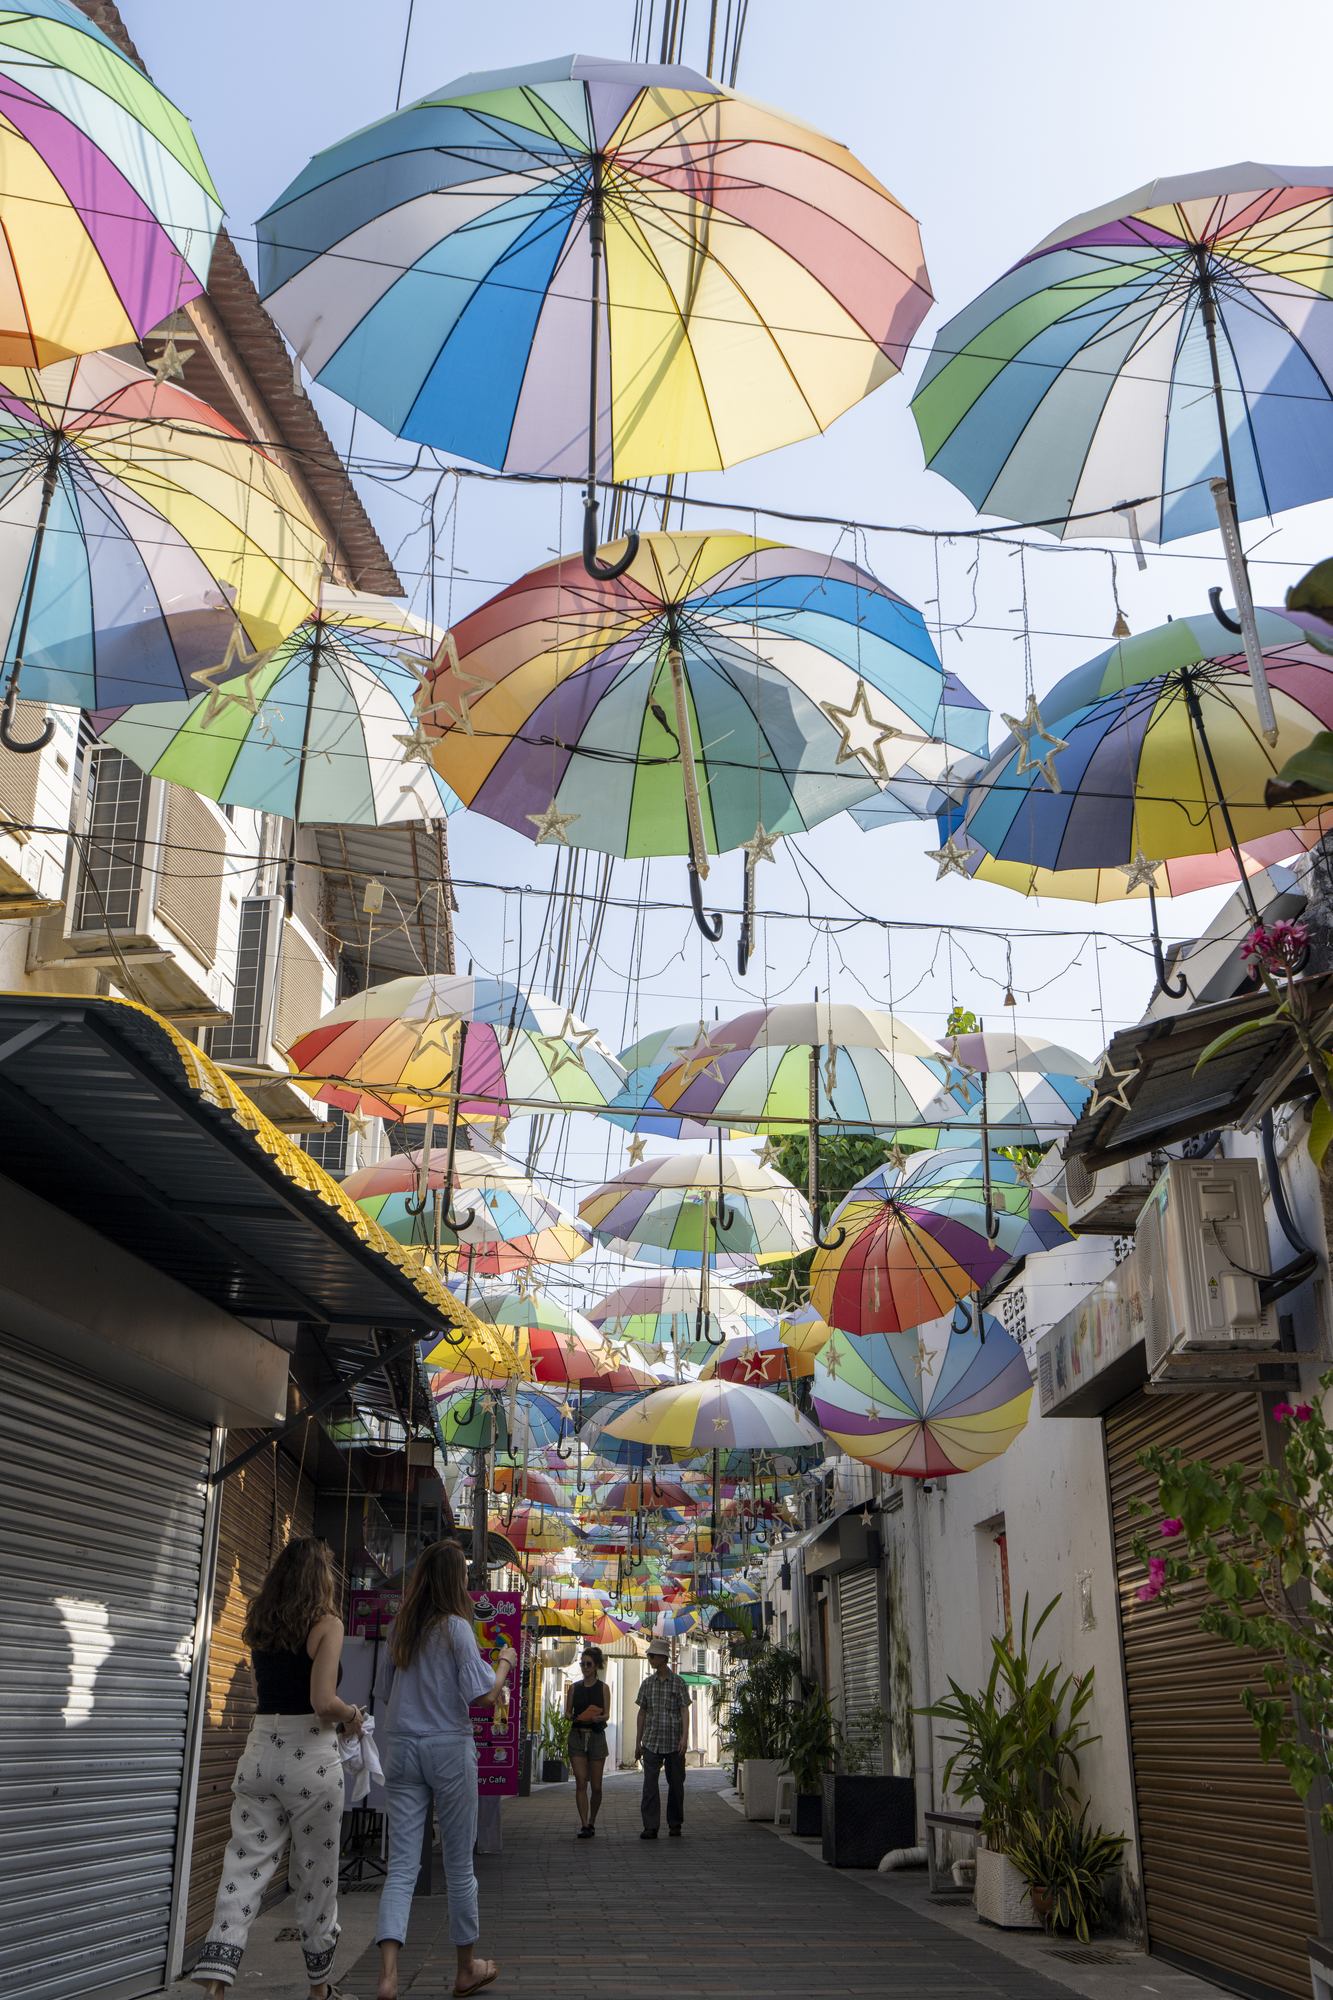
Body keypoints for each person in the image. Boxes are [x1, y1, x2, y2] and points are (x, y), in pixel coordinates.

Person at [195, 1538, 362, 2000]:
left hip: (259, 1752)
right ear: (320, 1578)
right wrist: (352, 1715)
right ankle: (319, 1989)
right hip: (311, 1760)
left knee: (242, 1868)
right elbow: (322, 1702)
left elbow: (260, 1691)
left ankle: (215, 1983)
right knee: (316, 1876)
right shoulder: (328, 1624)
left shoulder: (261, 1621)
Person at [373, 1541, 516, 2000]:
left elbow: (384, 1692)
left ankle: (388, 1976)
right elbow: (484, 1696)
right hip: (448, 1748)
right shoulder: (455, 1628)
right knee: (458, 1864)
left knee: (401, 1866)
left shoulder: (399, 1627)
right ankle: (465, 1970)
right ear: (457, 1580)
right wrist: (505, 1665)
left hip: (401, 1746)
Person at [634, 1636, 692, 1840]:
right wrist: (637, 1742)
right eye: (649, 1656)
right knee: (650, 1785)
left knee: (676, 1784)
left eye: (652, 1656)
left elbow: (684, 1710)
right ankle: (650, 1826)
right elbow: (642, 1712)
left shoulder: (678, 1683)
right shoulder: (647, 1684)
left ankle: (675, 1823)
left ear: (662, 1658)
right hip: (651, 1741)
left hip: (673, 1741)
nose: (650, 1659)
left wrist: (684, 1738)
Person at [563, 1646, 609, 1837]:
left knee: (596, 1786)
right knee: (581, 1781)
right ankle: (584, 1824)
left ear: (596, 1666)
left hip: (596, 1736)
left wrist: (598, 1717)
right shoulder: (574, 1688)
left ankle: (592, 1820)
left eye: (588, 1664)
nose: (585, 1668)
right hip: (577, 1735)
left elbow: (607, 1714)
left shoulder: (603, 1688)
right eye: (582, 1664)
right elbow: (567, 1712)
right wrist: (573, 1717)